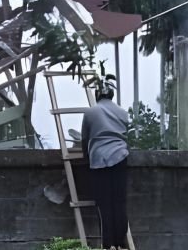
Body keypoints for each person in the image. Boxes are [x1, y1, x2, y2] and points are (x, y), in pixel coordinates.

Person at [81, 77, 129, 250]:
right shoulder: (123, 112)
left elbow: (84, 140)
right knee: (119, 202)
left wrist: (86, 158)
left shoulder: (90, 113)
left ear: (97, 94)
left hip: (99, 160)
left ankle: (108, 245)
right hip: (120, 158)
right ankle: (120, 243)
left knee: (104, 204)